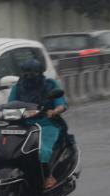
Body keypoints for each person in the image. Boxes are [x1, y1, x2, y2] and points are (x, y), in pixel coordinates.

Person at [8, 59, 68, 189]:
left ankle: (48, 176)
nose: (29, 76)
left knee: (42, 149)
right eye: (26, 73)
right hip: (23, 125)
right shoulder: (17, 87)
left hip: (46, 124)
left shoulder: (51, 85)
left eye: (33, 73)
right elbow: (10, 105)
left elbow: (61, 104)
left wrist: (55, 111)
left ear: (40, 73)